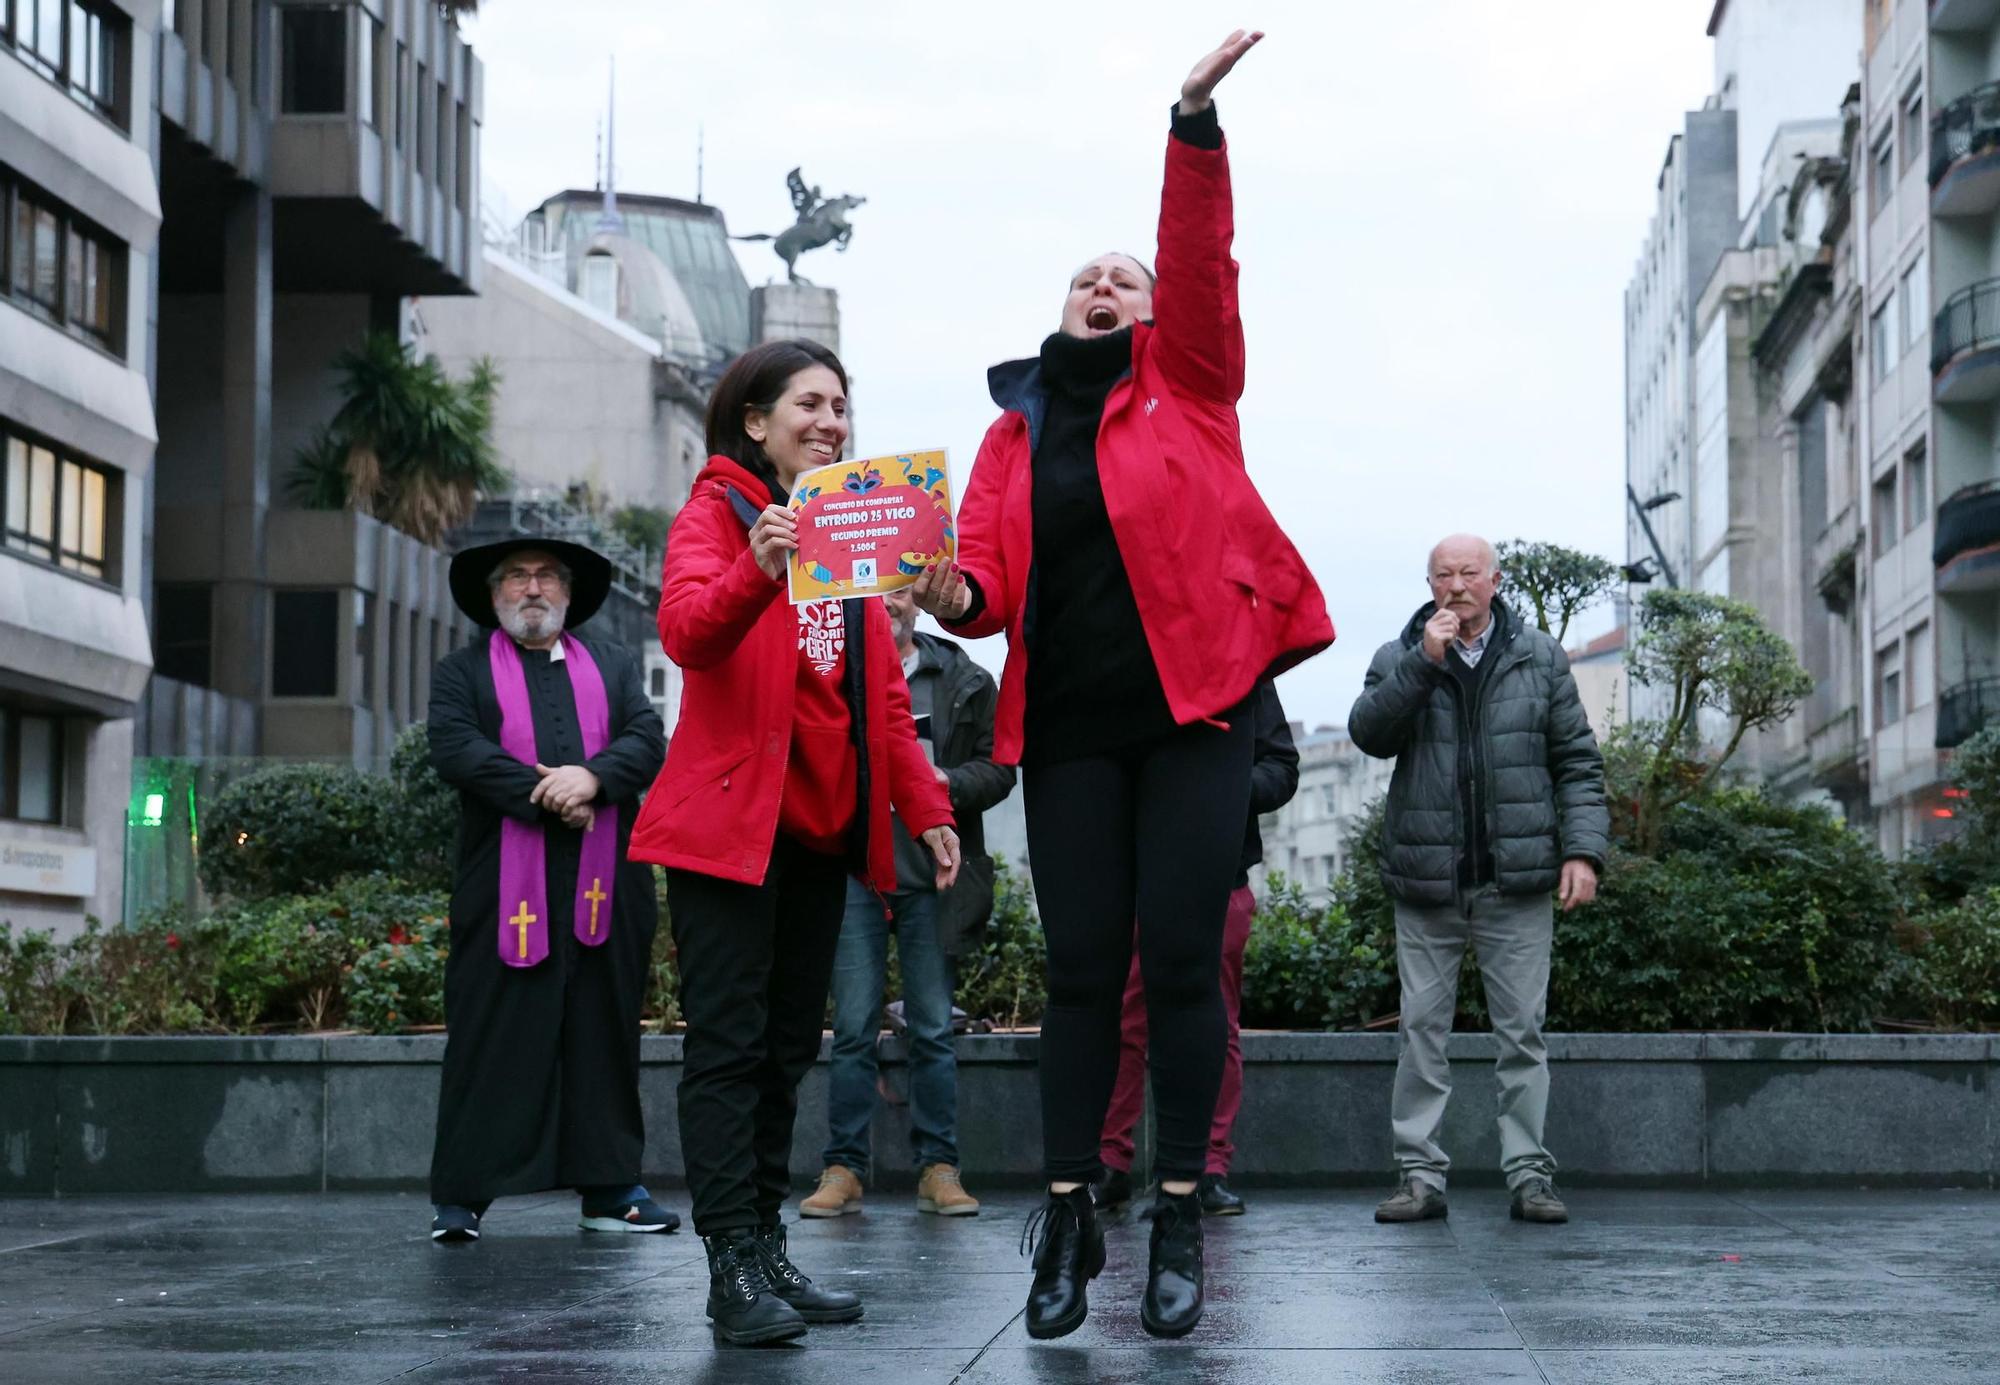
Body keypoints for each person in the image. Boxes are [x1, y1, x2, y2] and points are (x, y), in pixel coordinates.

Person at [912, 31, 1333, 1340]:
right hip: (1076, 729)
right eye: (1085, 276)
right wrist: (945, 595)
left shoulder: (1194, 388)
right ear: (1062, 309)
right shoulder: (1011, 430)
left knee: (1182, 962)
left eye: (1124, 277)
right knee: (1086, 968)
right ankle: (1070, 1217)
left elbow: (1203, 267)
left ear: (1151, 312)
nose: (1105, 283)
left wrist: (1191, 125)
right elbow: (981, 579)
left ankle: (1173, 1215)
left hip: (1195, 715)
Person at [627, 339, 962, 1346]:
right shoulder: (719, 513)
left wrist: (925, 803)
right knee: (728, 1051)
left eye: (840, 406)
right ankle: (731, 1261)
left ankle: (763, 1246)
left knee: (782, 1052)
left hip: (821, 834)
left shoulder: (847, 535)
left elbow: (879, 694)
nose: (829, 421)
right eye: (808, 404)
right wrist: (753, 566)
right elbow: (687, 631)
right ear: (755, 421)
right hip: (730, 831)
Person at [1347, 534, 1609, 1227]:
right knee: (1421, 1034)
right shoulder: (1399, 656)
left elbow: (1577, 762)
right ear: (1428, 582)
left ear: (1495, 580)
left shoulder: (1539, 656)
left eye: (1469, 573)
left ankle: (1529, 1175)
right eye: (1443, 574)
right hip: (1428, 881)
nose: (1456, 585)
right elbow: (1369, 733)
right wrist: (1422, 665)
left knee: (1522, 1033)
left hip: (1516, 882)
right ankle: (1419, 1176)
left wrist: (1582, 854)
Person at [425, 536, 671, 1243]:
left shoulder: (617, 666)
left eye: (546, 577)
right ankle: (462, 1194)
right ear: (495, 593)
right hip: (502, 882)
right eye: (516, 577)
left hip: (608, 885)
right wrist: (549, 792)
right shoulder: (461, 672)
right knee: (490, 1033)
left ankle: (611, 1188)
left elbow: (646, 737)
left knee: (604, 1032)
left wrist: (591, 779)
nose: (532, 589)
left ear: (567, 591)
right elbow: (457, 748)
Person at [802, 588, 1014, 1220]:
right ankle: (843, 1168)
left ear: (918, 602)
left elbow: (1001, 768)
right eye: (871, 590)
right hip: (853, 874)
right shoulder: (827, 664)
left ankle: (939, 1168)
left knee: (932, 1029)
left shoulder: (966, 679)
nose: (887, 603)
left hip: (934, 879)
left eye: (898, 590)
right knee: (853, 1028)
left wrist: (941, 783)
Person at [1096, 681, 1297, 1216]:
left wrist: (1215, 785)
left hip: (1219, 876)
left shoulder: (1244, 661)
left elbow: (1281, 768)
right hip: (1130, 878)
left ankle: (1207, 1168)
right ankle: (1109, 1164)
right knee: (1123, 1021)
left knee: (1217, 1024)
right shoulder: (1119, 651)